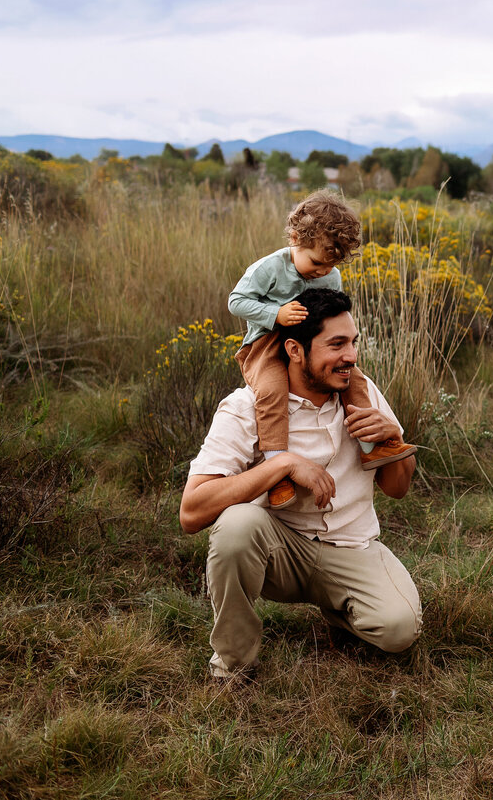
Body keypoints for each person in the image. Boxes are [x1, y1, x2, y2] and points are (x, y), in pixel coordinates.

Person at [180, 288, 422, 681]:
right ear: (295, 350)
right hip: (279, 549)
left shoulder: (362, 394)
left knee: (399, 629)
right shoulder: (247, 406)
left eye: (353, 343)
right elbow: (192, 511)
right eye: (337, 344)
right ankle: (234, 665)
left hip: (353, 546)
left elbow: (397, 488)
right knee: (236, 527)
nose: (351, 357)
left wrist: (393, 440)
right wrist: (283, 465)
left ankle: (339, 610)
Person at [229, 189, 415, 510]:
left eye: (330, 266)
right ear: (295, 237)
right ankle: (277, 469)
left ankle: (372, 447)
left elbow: (333, 316)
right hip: (265, 343)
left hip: (312, 346)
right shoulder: (269, 269)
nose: (322, 272)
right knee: (272, 390)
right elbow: (237, 302)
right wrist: (276, 314)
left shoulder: (331, 276)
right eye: (316, 262)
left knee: (352, 378)